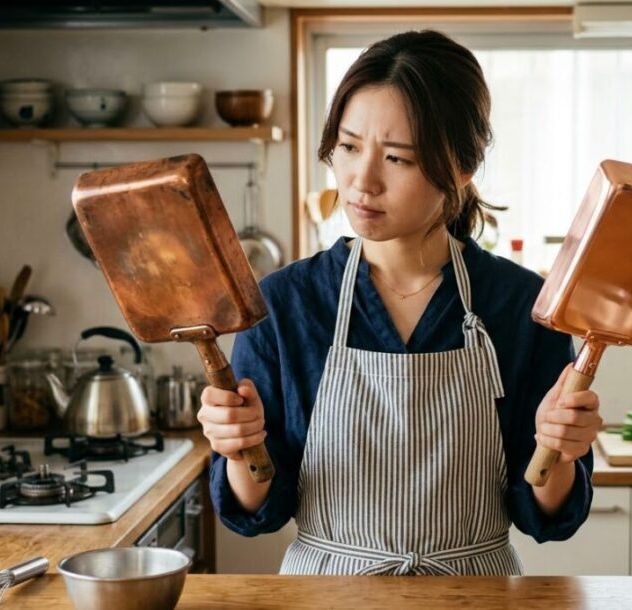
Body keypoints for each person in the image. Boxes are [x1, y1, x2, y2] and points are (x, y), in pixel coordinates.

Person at [199, 29, 602, 576]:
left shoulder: (521, 304)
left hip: (473, 593)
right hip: (327, 594)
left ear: (461, 166)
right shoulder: (284, 304)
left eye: (397, 158)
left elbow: (545, 516)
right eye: (347, 147)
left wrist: (561, 451)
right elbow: (258, 512)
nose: (361, 182)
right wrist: (238, 448)